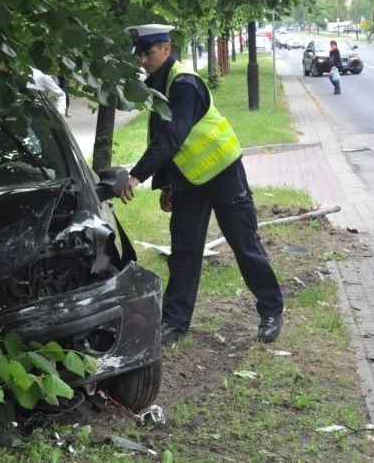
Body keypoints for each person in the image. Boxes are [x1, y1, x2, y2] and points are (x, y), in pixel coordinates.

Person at [119, 24, 284, 344]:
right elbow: (164, 137)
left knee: (244, 244)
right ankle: (175, 323)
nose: (142, 60)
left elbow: (172, 136)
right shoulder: (160, 85)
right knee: (184, 252)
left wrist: (138, 174)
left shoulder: (184, 84)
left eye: (148, 52)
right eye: (139, 54)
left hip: (224, 173)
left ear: (166, 49)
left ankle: (271, 310)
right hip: (191, 182)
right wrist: (167, 185)